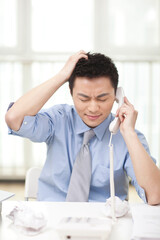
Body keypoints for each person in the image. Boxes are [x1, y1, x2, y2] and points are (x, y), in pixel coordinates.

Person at [5, 50, 160, 204]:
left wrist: (129, 133)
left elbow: (155, 195)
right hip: (52, 218)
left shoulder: (129, 136)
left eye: (103, 98)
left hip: (104, 221)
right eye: (83, 98)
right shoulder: (59, 119)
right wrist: (62, 76)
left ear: (116, 96)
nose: (93, 108)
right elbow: (14, 118)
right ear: (71, 93)